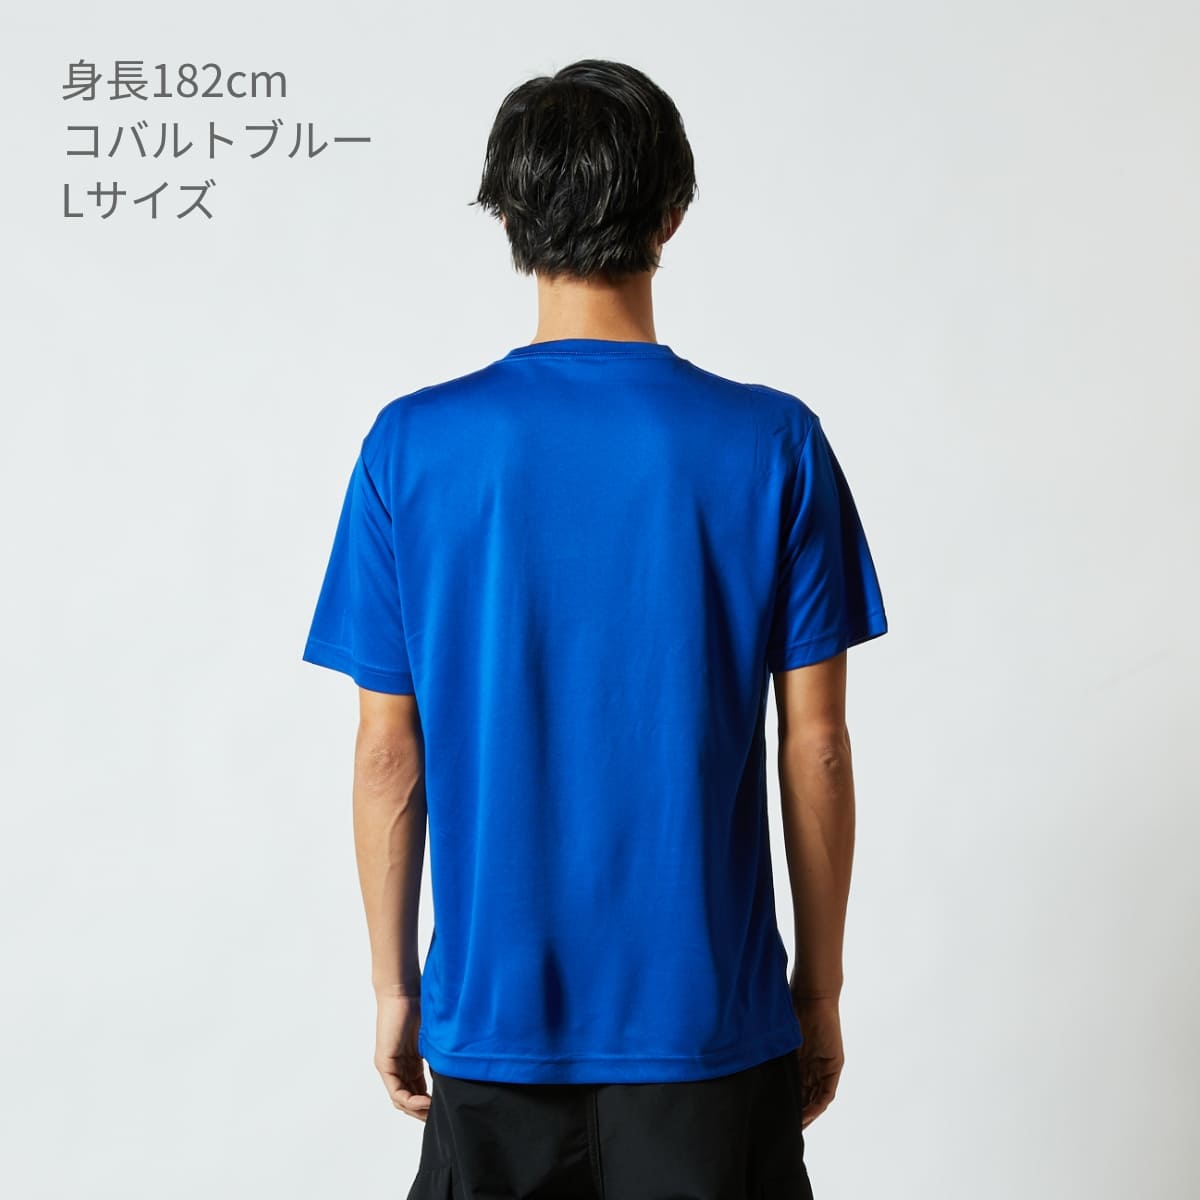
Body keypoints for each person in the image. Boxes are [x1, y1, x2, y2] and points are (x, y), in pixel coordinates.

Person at [301, 57, 888, 1200]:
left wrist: (394, 988)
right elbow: (815, 746)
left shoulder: (410, 449)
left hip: (492, 1029)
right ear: (672, 216)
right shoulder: (775, 445)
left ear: (509, 221)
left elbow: (385, 756)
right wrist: (817, 993)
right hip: (711, 1031)